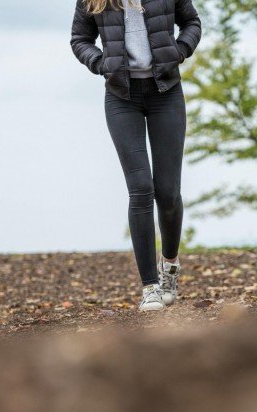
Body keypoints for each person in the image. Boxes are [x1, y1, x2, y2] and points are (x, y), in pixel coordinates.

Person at [71, 0, 201, 311]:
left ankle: (169, 266)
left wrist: (179, 51)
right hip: (121, 97)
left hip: (166, 93)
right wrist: (101, 64)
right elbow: (80, 39)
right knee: (141, 188)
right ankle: (150, 288)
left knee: (168, 193)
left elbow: (192, 23)